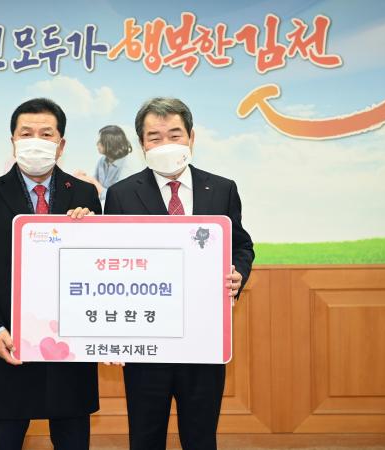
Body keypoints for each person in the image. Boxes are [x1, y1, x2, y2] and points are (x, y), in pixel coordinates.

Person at [104, 97, 255, 450]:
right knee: (145, 437)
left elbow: (241, 245)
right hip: (145, 338)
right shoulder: (122, 195)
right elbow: (110, 259)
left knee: (200, 437)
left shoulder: (222, 188)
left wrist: (239, 274)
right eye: (154, 137)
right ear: (141, 143)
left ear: (191, 137)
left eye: (174, 134)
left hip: (203, 336)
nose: (166, 144)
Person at [0, 98, 102, 450]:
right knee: (2, 441)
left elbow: (98, 266)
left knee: (72, 441)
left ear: (61, 144)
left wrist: (90, 232)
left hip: (70, 349)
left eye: (46, 133)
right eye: (26, 133)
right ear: (13, 142)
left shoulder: (84, 193)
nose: (36, 141)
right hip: (10, 346)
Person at [74, 125, 135, 204]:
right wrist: (83, 178)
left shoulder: (127, 166)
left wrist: (91, 180)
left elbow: (117, 197)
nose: (97, 144)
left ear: (110, 143)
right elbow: (94, 187)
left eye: (100, 141)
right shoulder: (102, 160)